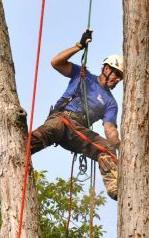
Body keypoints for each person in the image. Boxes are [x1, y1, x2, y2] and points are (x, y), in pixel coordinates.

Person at [30, 29, 122, 200]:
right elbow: (56, 62)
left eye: (120, 77)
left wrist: (120, 144)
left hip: (78, 131)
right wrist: (78, 46)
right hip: (61, 118)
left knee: (107, 149)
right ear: (107, 68)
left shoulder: (110, 102)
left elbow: (109, 129)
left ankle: (115, 188)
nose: (117, 79)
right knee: (43, 134)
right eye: (116, 73)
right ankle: (19, 152)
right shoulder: (83, 75)